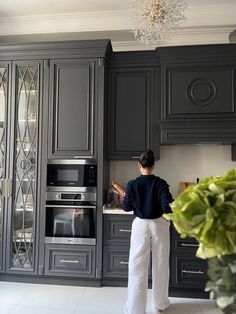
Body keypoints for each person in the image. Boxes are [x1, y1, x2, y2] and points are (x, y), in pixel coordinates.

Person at [112, 150, 173, 314]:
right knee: (160, 265)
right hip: (159, 225)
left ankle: (135, 309)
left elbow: (127, 207)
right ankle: (160, 305)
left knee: (137, 267)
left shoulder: (132, 184)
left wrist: (123, 197)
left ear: (139, 165)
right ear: (153, 165)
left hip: (140, 226)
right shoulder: (161, 183)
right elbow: (168, 207)